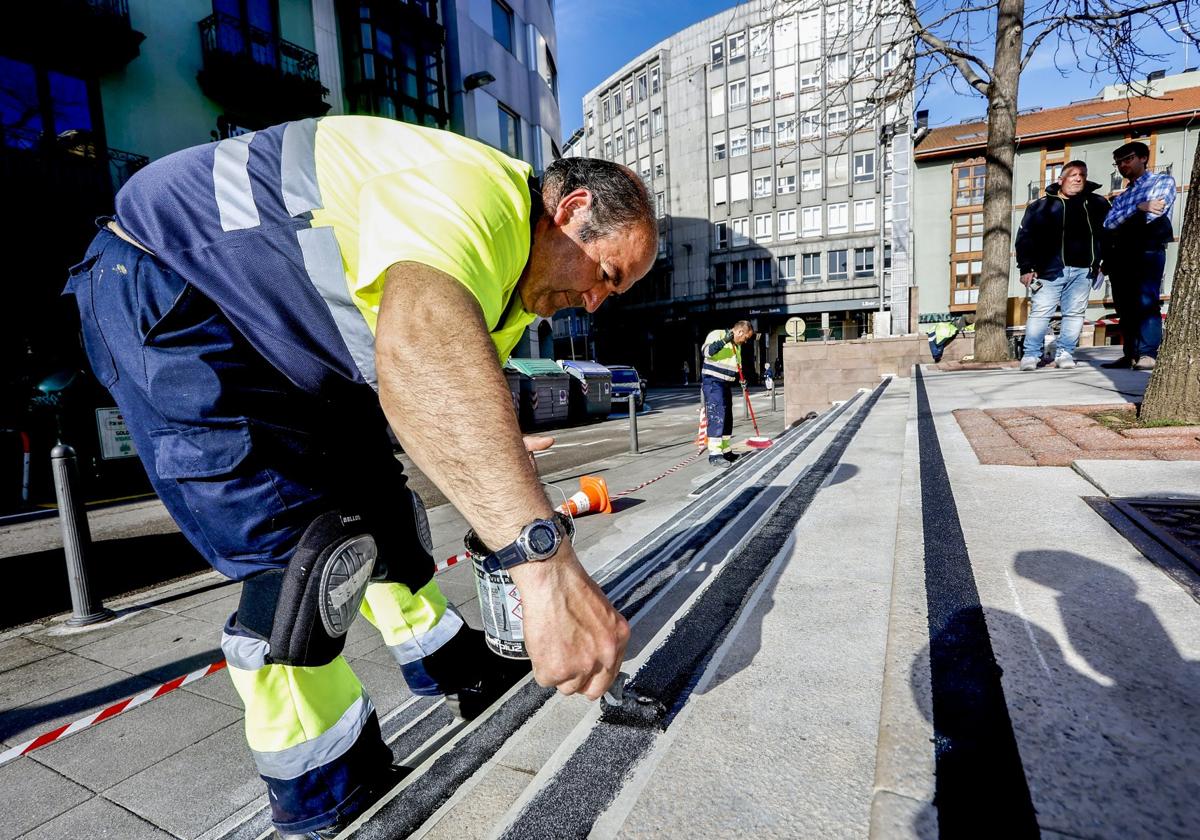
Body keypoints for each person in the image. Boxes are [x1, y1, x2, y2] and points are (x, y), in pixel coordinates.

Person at [63, 117, 650, 839]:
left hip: (286, 331)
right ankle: (325, 792)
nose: (595, 301)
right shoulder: (473, 195)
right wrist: (545, 573)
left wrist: (497, 469)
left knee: (382, 509)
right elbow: (424, 341)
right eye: (606, 275)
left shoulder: (508, 290)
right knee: (299, 560)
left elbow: (434, 404)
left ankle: (452, 668)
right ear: (571, 211)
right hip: (173, 289)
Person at [1014, 160, 1111, 371]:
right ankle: (1031, 355)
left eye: (1082, 175)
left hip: (1084, 270)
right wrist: (1026, 267)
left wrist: (1105, 263)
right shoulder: (1040, 206)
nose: (1078, 178)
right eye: (1073, 175)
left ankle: (1065, 353)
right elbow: (1024, 239)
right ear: (1061, 179)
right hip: (1049, 271)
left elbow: (1110, 235)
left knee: (1075, 313)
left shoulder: (1097, 204)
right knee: (1040, 312)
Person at [1101, 141, 1176, 370]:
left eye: (1128, 159)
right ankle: (1130, 353)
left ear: (1143, 158)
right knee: (1124, 306)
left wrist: (1131, 216)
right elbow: (1108, 223)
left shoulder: (1162, 181)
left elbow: (1155, 214)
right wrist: (1138, 207)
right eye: (1119, 162)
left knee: (1146, 301)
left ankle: (1148, 353)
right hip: (1122, 255)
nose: (1123, 165)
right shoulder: (1123, 196)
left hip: (1148, 249)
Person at [700, 320, 754, 468]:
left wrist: (742, 381)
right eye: (746, 337)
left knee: (727, 416)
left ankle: (725, 450)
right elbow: (706, 352)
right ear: (740, 332)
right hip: (712, 381)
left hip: (725, 383)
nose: (746, 341)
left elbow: (737, 367)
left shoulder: (737, 346)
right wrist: (725, 340)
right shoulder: (717, 334)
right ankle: (715, 454)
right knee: (717, 414)